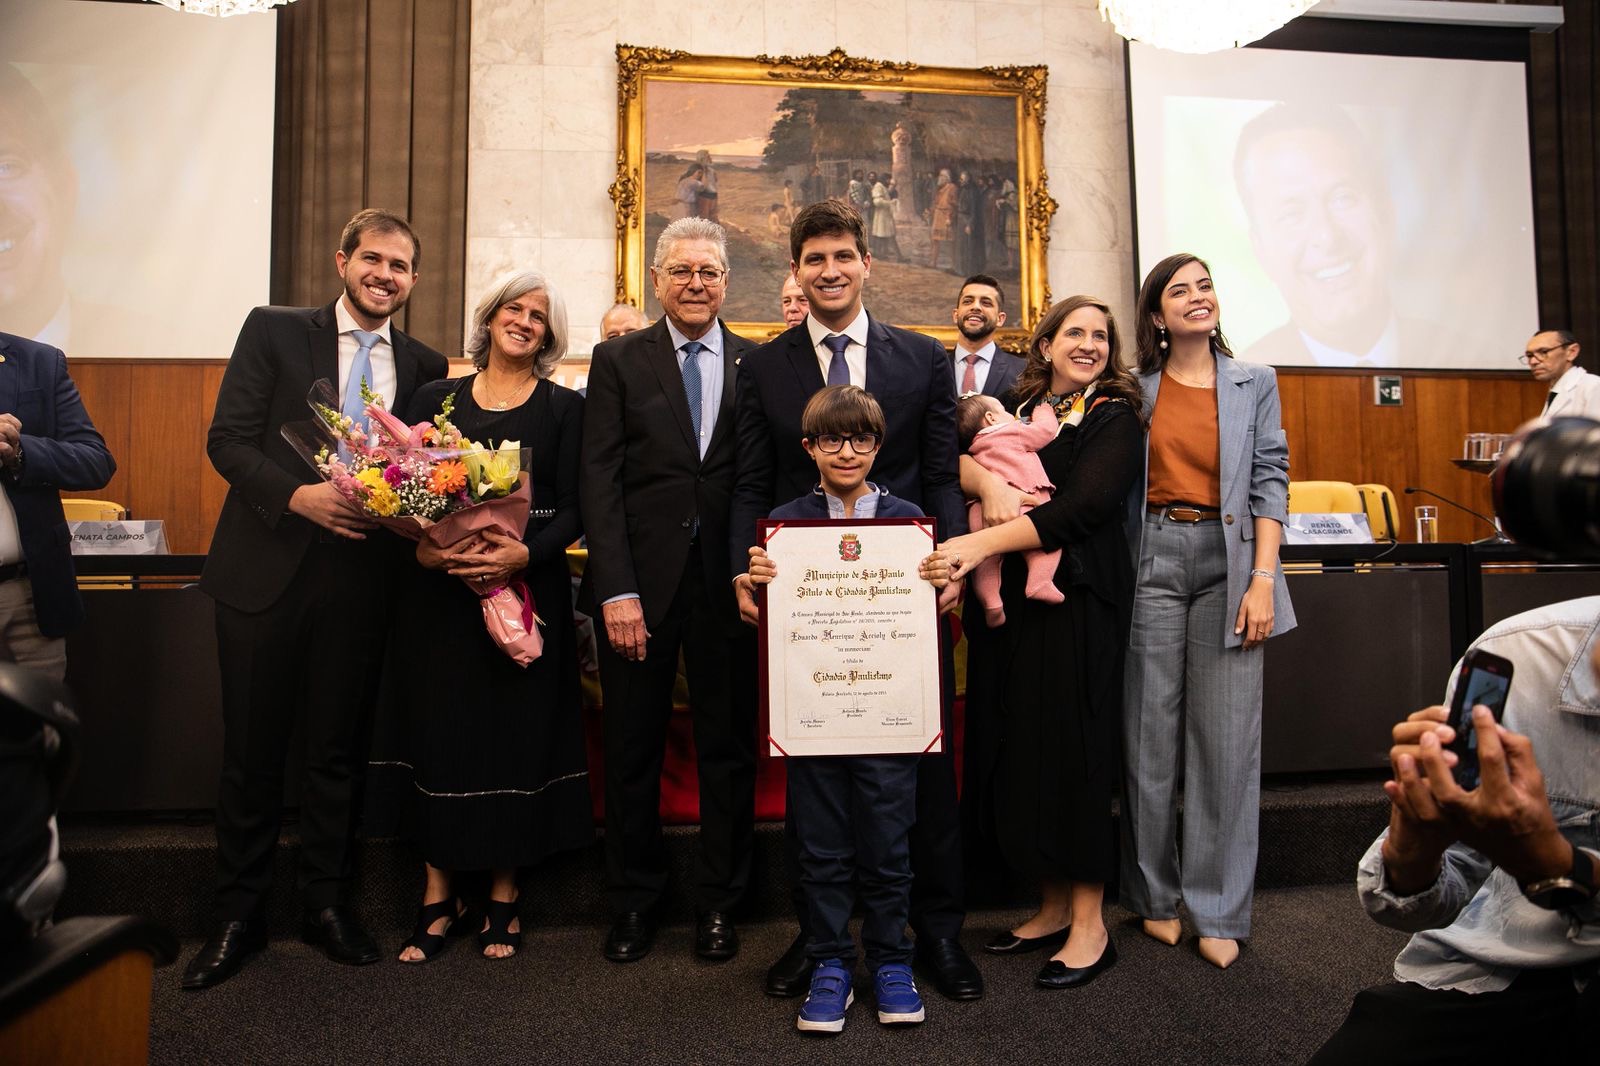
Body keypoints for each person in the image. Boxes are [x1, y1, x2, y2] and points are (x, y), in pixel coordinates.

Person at [185, 209, 449, 990]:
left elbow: (422, 473)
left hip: (364, 584)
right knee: (251, 756)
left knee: (338, 756)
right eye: (373, 259)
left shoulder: (427, 362)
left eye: (401, 266)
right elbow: (227, 438)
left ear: (412, 280)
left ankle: (327, 906)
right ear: (343, 261)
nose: (386, 276)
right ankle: (237, 916)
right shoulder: (274, 331)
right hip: (262, 574)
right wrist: (298, 497)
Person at [730, 199, 978, 1002]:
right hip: (808, 615)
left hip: (904, 605)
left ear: (865, 262)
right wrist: (747, 567)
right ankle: (823, 942)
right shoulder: (762, 367)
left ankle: (930, 936)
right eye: (814, 260)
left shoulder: (921, 359)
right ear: (795, 273)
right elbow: (752, 486)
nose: (830, 270)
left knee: (919, 777)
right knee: (818, 772)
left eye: (843, 255)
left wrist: (950, 563)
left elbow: (940, 474)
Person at [377, 271, 592, 963]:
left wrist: (521, 555)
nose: (524, 321)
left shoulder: (563, 409)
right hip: (438, 605)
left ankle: (503, 895)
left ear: (550, 335)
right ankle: (437, 896)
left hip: (526, 598)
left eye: (538, 315)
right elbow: (395, 492)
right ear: (489, 316)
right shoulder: (432, 399)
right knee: (442, 737)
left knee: (515, 738)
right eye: (513, 308)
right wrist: (432, 557)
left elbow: (579, 506)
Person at [940, 295, 1145, 990]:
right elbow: (950, 456)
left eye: (1100, 335)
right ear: (1047, 342)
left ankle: (1091, 923)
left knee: (1077, 753)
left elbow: (1082, 508)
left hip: (1080, 602)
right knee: (1025, 749)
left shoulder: (1115, 415)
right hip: (1016, 612)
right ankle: (1053, 903)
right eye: (1074, 332)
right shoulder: (1014, 404)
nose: (1087, 344)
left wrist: (978, 542)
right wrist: (987, 481)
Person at [1308, 597, 1600, 1063]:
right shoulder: (1523, 654)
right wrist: (1413, 853)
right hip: (1519, 964)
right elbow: (1416, 904)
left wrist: (1559, 868)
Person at [746, 384, 953, 1033]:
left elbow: (930, 609)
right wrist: (759, 579)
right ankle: (832, 960)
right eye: (830, 439)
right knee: (822, 848)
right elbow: (774, 618)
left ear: (877, 445)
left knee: (889, 847)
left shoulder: (910, 519)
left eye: (859, 438)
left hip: (888, 718)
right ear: (808, 447)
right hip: (816, 719)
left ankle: (893, 958)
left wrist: (940, 591)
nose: (846, 450)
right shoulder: (785, 526)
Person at [579, 217, 757, 964]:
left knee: (727, 751)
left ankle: (720, 904)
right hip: (638, 591)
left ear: (725, 281)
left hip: (730, 589)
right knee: (632, 751)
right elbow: (599, 480)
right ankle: (633, 903)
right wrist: (615, 590)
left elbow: (758, 476)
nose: (695, 284)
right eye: (681, 271)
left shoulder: (758, 362)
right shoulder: (619, 360)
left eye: (709, 272)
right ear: (656, 280)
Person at [1120, 252, 1296, 970]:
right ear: (1157, 315)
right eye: (1178, 290)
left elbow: (1271, 478)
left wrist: (1263, 578)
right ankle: (1156, 898)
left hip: (1232, 566)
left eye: (1205, 286)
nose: (1197, 297)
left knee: (1225, 743)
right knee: (1147, 739)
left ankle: (1218, 908)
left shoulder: (1256, 382)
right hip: (1151, 560)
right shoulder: (1132, 389)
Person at [1233, 104, 1449, 369]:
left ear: (1386, 213)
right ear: (1261, 251)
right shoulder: (1237, 389)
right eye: (1291, 215)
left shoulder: (1474, 359)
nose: (1327, 236)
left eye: (1342, 198)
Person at [0, 331, 116, 681]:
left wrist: (19, 452)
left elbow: (96, 462)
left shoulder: (39, 361)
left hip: (30, 602)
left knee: (40, 733)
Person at [954, 394, 1062, 628]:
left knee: (985, 561)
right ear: (991, 418)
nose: (1011, 416)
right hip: (1023, 500)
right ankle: (1039, 582)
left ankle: (991, 603)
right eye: (1004, 410)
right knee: (1046, 543)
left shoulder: (975, 448)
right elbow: (1044, 432)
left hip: (980, 510)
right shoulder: (1012, 432)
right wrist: (1044, 412)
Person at [950, 274, 1022, 401]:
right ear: (956, 315)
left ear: (1000, 319)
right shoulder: (933, 368)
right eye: (968, 301)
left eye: (986, 303)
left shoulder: (1023, 371)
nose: (975, 307)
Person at [1522, 329, 1600, 422]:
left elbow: (1595, 434)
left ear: (1572, 352)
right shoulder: (1555, 388)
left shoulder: (1594, 385)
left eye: (1543, 352)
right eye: (1530, 355)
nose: (1533, 361)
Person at [929, 170, 957, 272]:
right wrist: (931, 211)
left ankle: (953, 265)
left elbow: (954, 204)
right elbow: (936, 202)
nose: (939, 178)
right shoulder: (940, 189)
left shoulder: (952, 187)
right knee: (935, 239)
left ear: (947, 177)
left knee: (950, 241)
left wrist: (950, 217)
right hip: (938, 215)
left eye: (941, 176)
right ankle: (933, 262)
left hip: (946, 216)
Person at [871, 175, 903, 262]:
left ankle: (884, 254)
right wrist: (890, 203)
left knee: (884, 235)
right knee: (887, 235)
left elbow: (886, 194)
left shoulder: (882, 187)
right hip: (882, 216)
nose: (889, 182)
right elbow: (877, 202)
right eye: (889, 180)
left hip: (885, 216)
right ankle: (899, 257)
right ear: (885, 179)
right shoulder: (878, 186)